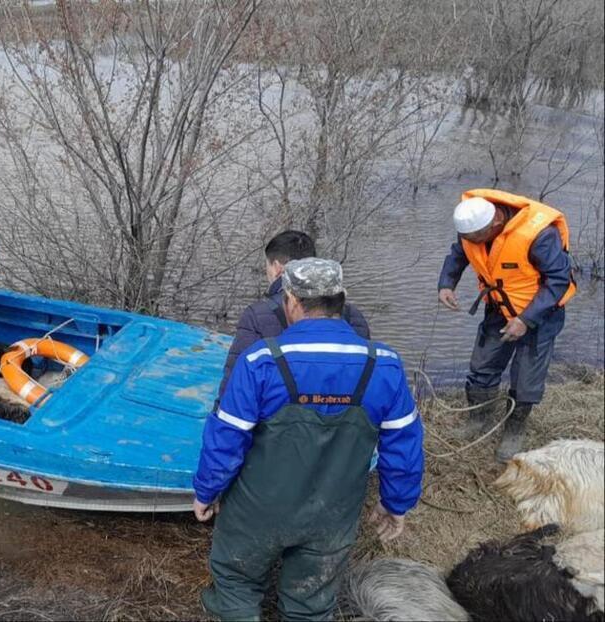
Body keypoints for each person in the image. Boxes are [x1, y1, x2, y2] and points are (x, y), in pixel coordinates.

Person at [194, 258, 424, 622]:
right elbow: (404, 446)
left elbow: (226, 438)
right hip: (332, 514)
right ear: (342, 300)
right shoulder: (384, 364)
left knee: (235, 581)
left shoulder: (261, 361)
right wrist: (396, 502)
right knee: (311, 602)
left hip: (257, 511)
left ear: (291, 301)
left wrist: (206, 491)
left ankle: (236, 611)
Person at [438, 189, 577, 462]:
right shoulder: (471, 226)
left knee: (526, 377)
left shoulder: (540, 235)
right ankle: (478, 419)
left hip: (541, 315)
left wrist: (526, 320)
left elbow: (559, 281)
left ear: (496, 223)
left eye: (476, 238)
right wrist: (446, 284)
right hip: (499, 308)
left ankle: (514, 431)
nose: (470, 242)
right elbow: (458, 253)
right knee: (482, 366)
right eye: (467, 238)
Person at [216, 230, 371, 405]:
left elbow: (235, 384)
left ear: (277, 267)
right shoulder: (354, 316)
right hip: (343, 414)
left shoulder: (257, 315)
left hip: (278, 415)